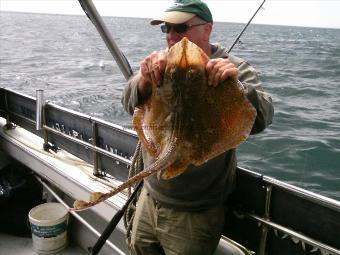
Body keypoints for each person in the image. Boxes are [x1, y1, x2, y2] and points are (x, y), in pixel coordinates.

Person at [121, 0, 274, 254]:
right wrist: (143, 81)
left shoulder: (231, 67)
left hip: (194, 214)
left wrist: (235, 87)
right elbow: (128, 101)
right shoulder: (159, 64)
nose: (171, 36)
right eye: (166, 28)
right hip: (149, 197)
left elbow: (263, 116)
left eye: (180, 27)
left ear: (207, 29)